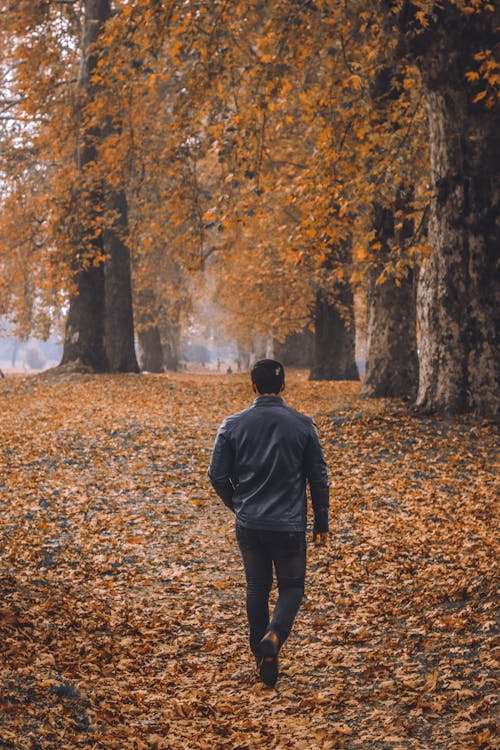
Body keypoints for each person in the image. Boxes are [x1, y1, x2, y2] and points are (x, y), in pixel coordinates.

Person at [208, 359, 329, 687]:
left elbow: (216, 474)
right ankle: (274, 636)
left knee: (257, 588)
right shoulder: (303, 425)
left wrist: (237, 505)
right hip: (289, 525)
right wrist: (321, 523)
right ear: (284, 386)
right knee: (292, 586)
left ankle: (261, 656)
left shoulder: (233, 425)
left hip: (250, 524)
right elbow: (318, 479)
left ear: (252, 385)